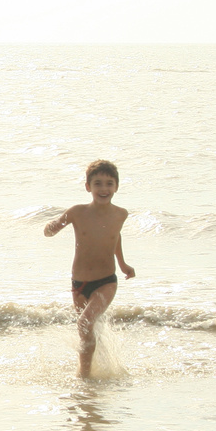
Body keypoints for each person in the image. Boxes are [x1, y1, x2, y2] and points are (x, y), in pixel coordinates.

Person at [44, 160, 135, 378]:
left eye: (109, 184)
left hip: (106, 281)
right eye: (98, 184)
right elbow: (51, 230)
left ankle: (83, 376)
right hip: (79, 282)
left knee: (85, 322)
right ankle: (92, 372)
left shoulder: (120, 214)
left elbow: (115, 238)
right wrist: (51, 228)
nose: (104, 189)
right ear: (88, 187)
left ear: (117, 187)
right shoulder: (77, 212)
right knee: (86, 331)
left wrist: (123, 264)